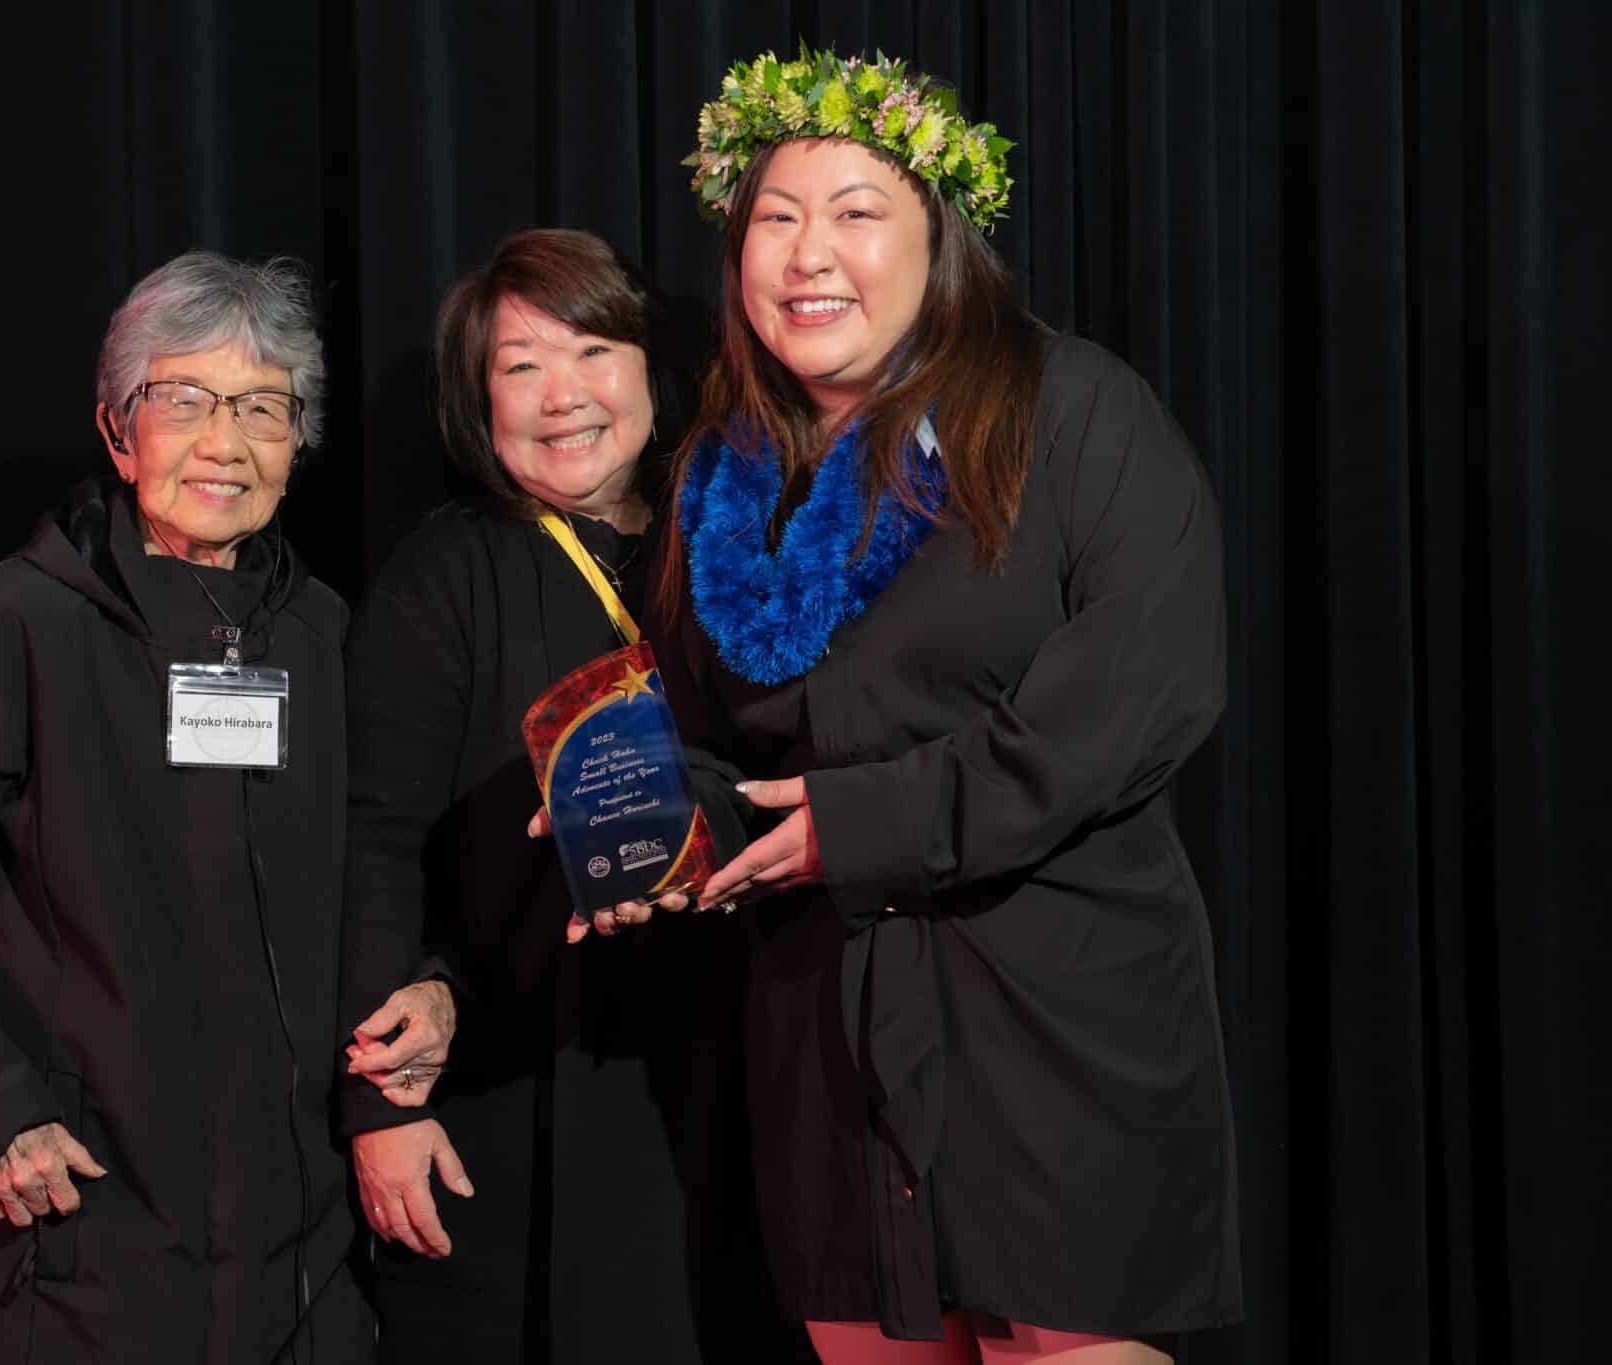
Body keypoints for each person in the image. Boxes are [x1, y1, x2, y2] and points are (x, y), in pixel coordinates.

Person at [651, 49, 1243, 1364]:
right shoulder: (722, 477)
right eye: (773, 218)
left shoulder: (1067, 410)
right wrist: (642, 824)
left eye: (855, 212)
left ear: (939, 239)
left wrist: (856, 825)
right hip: (825, 1025)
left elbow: (1135, 695)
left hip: (1051, 1003)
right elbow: (703, 742)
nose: (807, 253)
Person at [0, 250, 368, 1363]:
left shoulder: (324, 637)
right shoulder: (13, 625)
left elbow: (382, 873)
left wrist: (431, 986)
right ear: (121, 433)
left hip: (293, 1257)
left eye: (262, 408)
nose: (225, 442)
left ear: (298, 441)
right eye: (186, 401)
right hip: (79, 1238)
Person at [335, 228, 801, 1363]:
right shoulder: (445, 572)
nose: (563, 396)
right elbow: (369, 842)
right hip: (522, 1074)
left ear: (648, 366)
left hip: (744, 1065)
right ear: (477, 400)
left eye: (593, 351)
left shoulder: (736, 547)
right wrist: (383, 1108)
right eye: (520, 365)